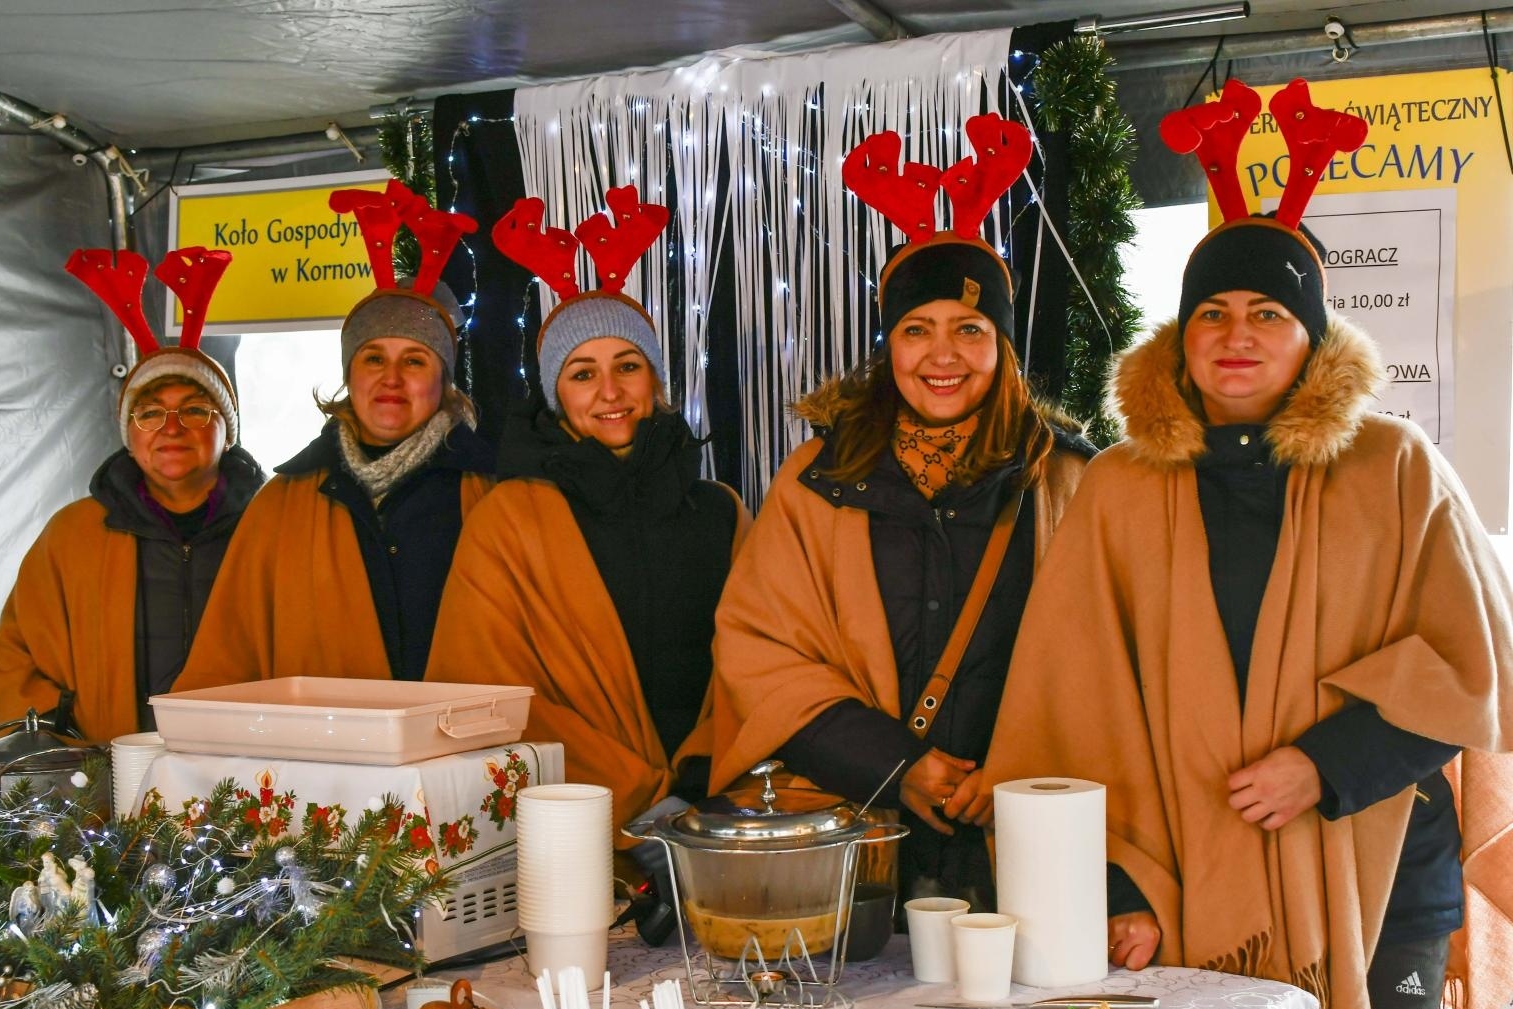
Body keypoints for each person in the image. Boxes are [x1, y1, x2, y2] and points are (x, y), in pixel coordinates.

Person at [982, 80, 1513, 1009]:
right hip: (1182, 876)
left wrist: (1326, 761)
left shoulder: (1393, 465)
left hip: (1386, 874)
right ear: (1179, 338)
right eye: (1212, 312)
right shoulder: (1118, 487)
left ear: (1310, 336)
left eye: (1268, 311)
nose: (1236, 334)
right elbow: (1069, 703)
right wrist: (1117, 885)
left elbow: (1474, 666)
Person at [709, 117, 1093, 909]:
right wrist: (900, 765)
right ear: (889, 346)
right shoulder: (819, 479)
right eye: (916, 330)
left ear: (1004, 346)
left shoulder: (1070, 481)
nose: (941, 355)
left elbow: (1109, 664)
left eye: (969, 330)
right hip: (861, 849)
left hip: (1023, 846)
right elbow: (758, 652)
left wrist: (1019, 768)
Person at [430, 188, 748, 848]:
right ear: (555, 394)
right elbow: (483, 689)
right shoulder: (508, 520)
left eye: (627, 366)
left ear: (655, 380)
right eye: (582, 373)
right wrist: (635, 796)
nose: (609, 391)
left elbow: (757, 660)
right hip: (567, 822)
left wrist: (695, 784)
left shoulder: (720, 510)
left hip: (717, 811)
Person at [176, 182, 492, 688]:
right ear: (350, 375)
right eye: (373, 358)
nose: (391, 378)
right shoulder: (279, 507)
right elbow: (226, 657)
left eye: (414, 360)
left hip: (466, 759)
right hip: (322, 760)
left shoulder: (494, 493)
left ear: (444, 380)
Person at [0, 246, 264, 741]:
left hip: (254, 773)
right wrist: (62, 740)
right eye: (150, 412)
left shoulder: (274, 526)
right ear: (129, 433)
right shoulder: (73, 535)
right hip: (111, 774)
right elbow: (17, 653)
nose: (171, 428)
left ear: (228, 429)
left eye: (196, 410)